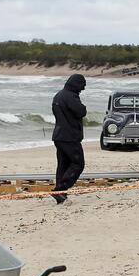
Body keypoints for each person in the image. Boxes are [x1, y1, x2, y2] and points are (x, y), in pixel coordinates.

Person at [51, 74, 87, 204]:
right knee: (78, 164)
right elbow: (81, 111)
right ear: (76, 84)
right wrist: (83, 107)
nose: (82, 89)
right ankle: (60, 189)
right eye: (82, 86)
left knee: (63, 165)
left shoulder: (58, 95)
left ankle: (60, 194)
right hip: (70, 137)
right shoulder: (70, 96)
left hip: (58, 136)